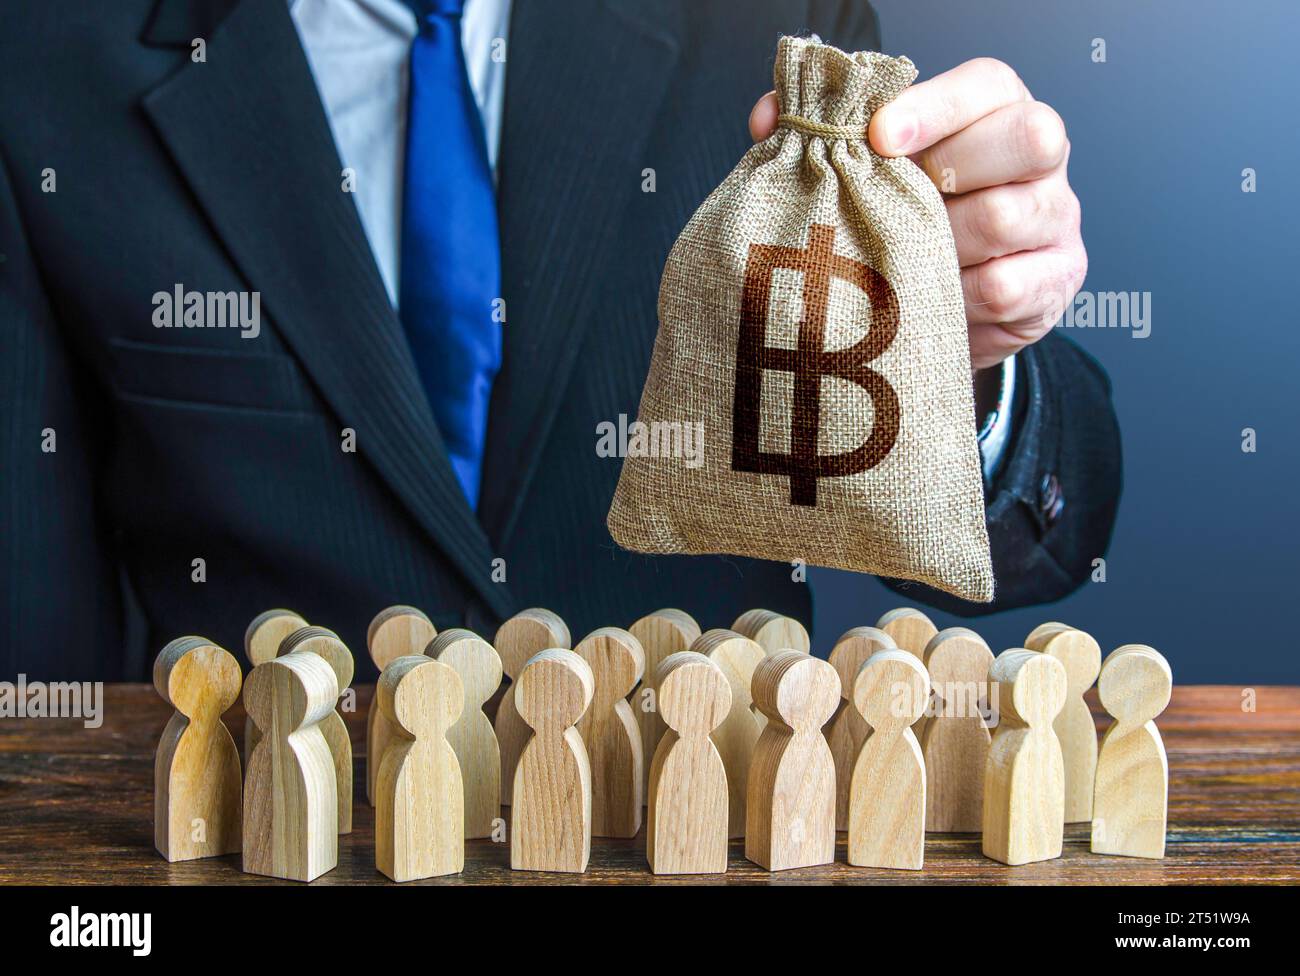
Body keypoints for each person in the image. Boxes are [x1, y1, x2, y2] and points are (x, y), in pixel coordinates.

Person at [0, 0, 1117, 680]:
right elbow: (33, 640)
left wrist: (962, 360)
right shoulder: (44, 59)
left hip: (691, 834)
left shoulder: (765, 22)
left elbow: (1040, 541)